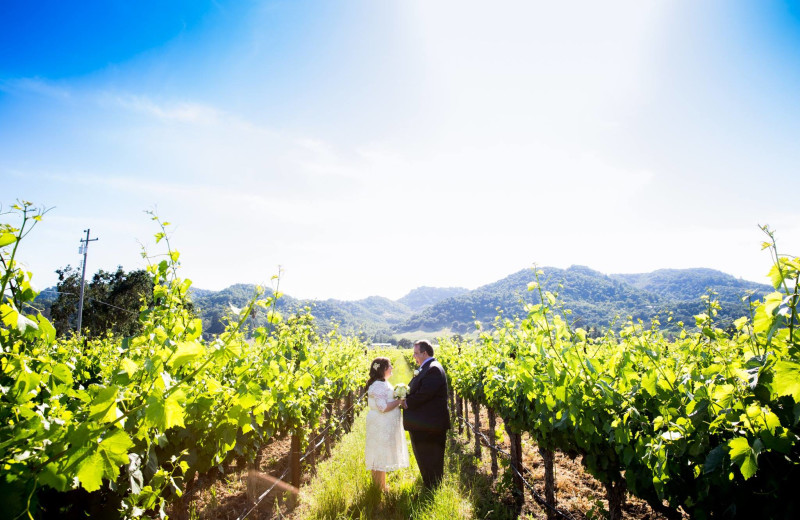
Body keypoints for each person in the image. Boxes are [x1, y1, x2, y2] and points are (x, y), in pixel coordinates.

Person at [401, 340, 451, 489]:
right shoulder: (427, 368)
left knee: (431, 458)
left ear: (425, 353)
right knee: (425, 457)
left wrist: (406, 403)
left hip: (430, 425)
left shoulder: (433, 369)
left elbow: (424, 394)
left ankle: (433, 488)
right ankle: (429, 484)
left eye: (416, 353)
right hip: (425, 423)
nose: (413, 356)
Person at [364, 357, 410, 491]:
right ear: (383, 369)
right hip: (380, 424)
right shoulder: (378, 385)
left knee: (380, 453)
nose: (392, 368)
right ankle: (379, 488)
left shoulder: (383, 383)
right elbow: (382, 407)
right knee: (379, 453)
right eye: (390, 366)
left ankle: (380, 486)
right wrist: (399, 402)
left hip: (382, 424)